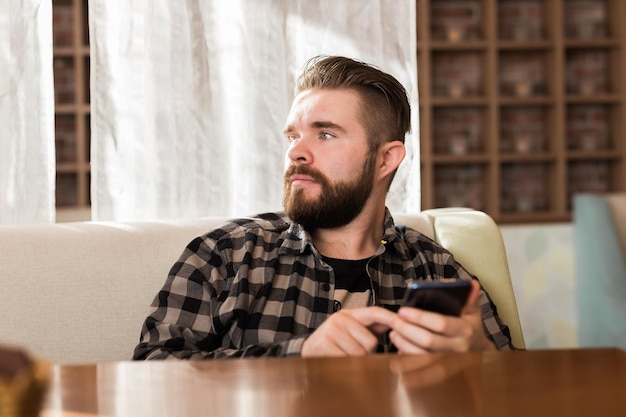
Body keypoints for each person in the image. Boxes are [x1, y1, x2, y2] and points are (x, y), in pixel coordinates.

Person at [133, 55, 514, 360]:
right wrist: (300, 355)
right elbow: (150, 374)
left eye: (325, 133)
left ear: (386, 160)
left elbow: (520, 389)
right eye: (293, 135)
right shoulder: (224, 256)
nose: (295, 151)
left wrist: (482, 357)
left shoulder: (439, 271)